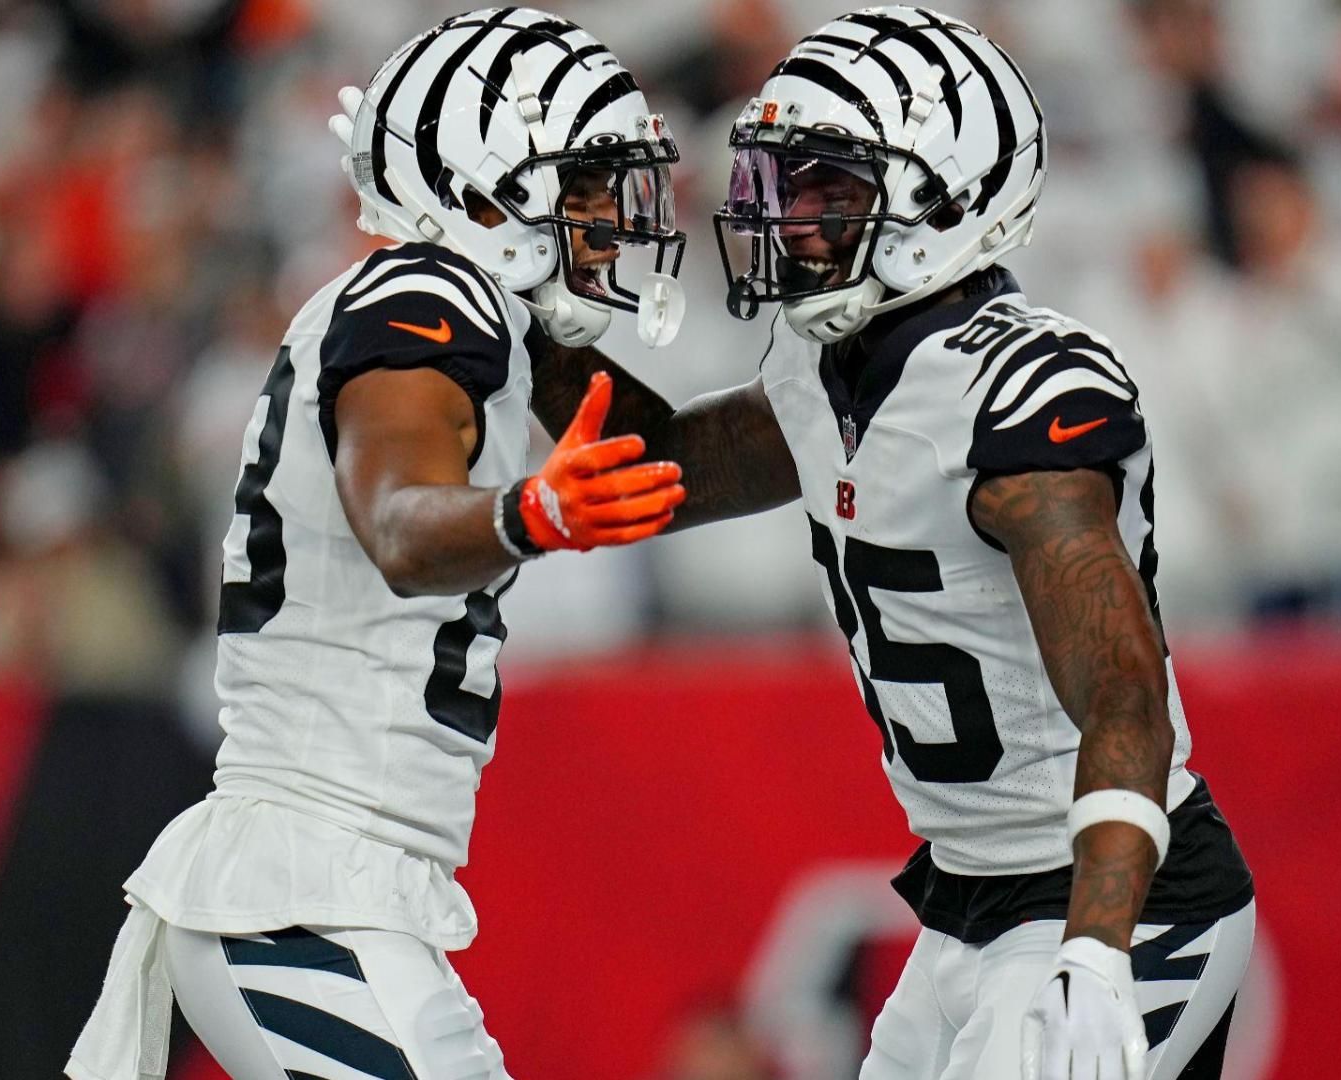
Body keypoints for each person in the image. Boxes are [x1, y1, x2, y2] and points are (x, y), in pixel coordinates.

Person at [503, 7, 1257, 1078]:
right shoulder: (825, 371)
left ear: (943, 203)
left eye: (825, 191)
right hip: (970, 901)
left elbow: (1124, 695)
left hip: (1116, 895)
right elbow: (662, 468)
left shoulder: (1016, 397)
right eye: (779, 186)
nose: (788, 221)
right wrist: (521, 300)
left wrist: (1096, 951)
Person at [66, 10, 689, 1079]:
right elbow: (399, 516)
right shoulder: (424, 299)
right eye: (583, 184)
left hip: (337, 882)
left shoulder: (473, 310)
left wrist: (852, 397)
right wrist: (526, 515)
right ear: (493, 190)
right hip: (303, 883)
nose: (610, 218)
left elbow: (679, 461)